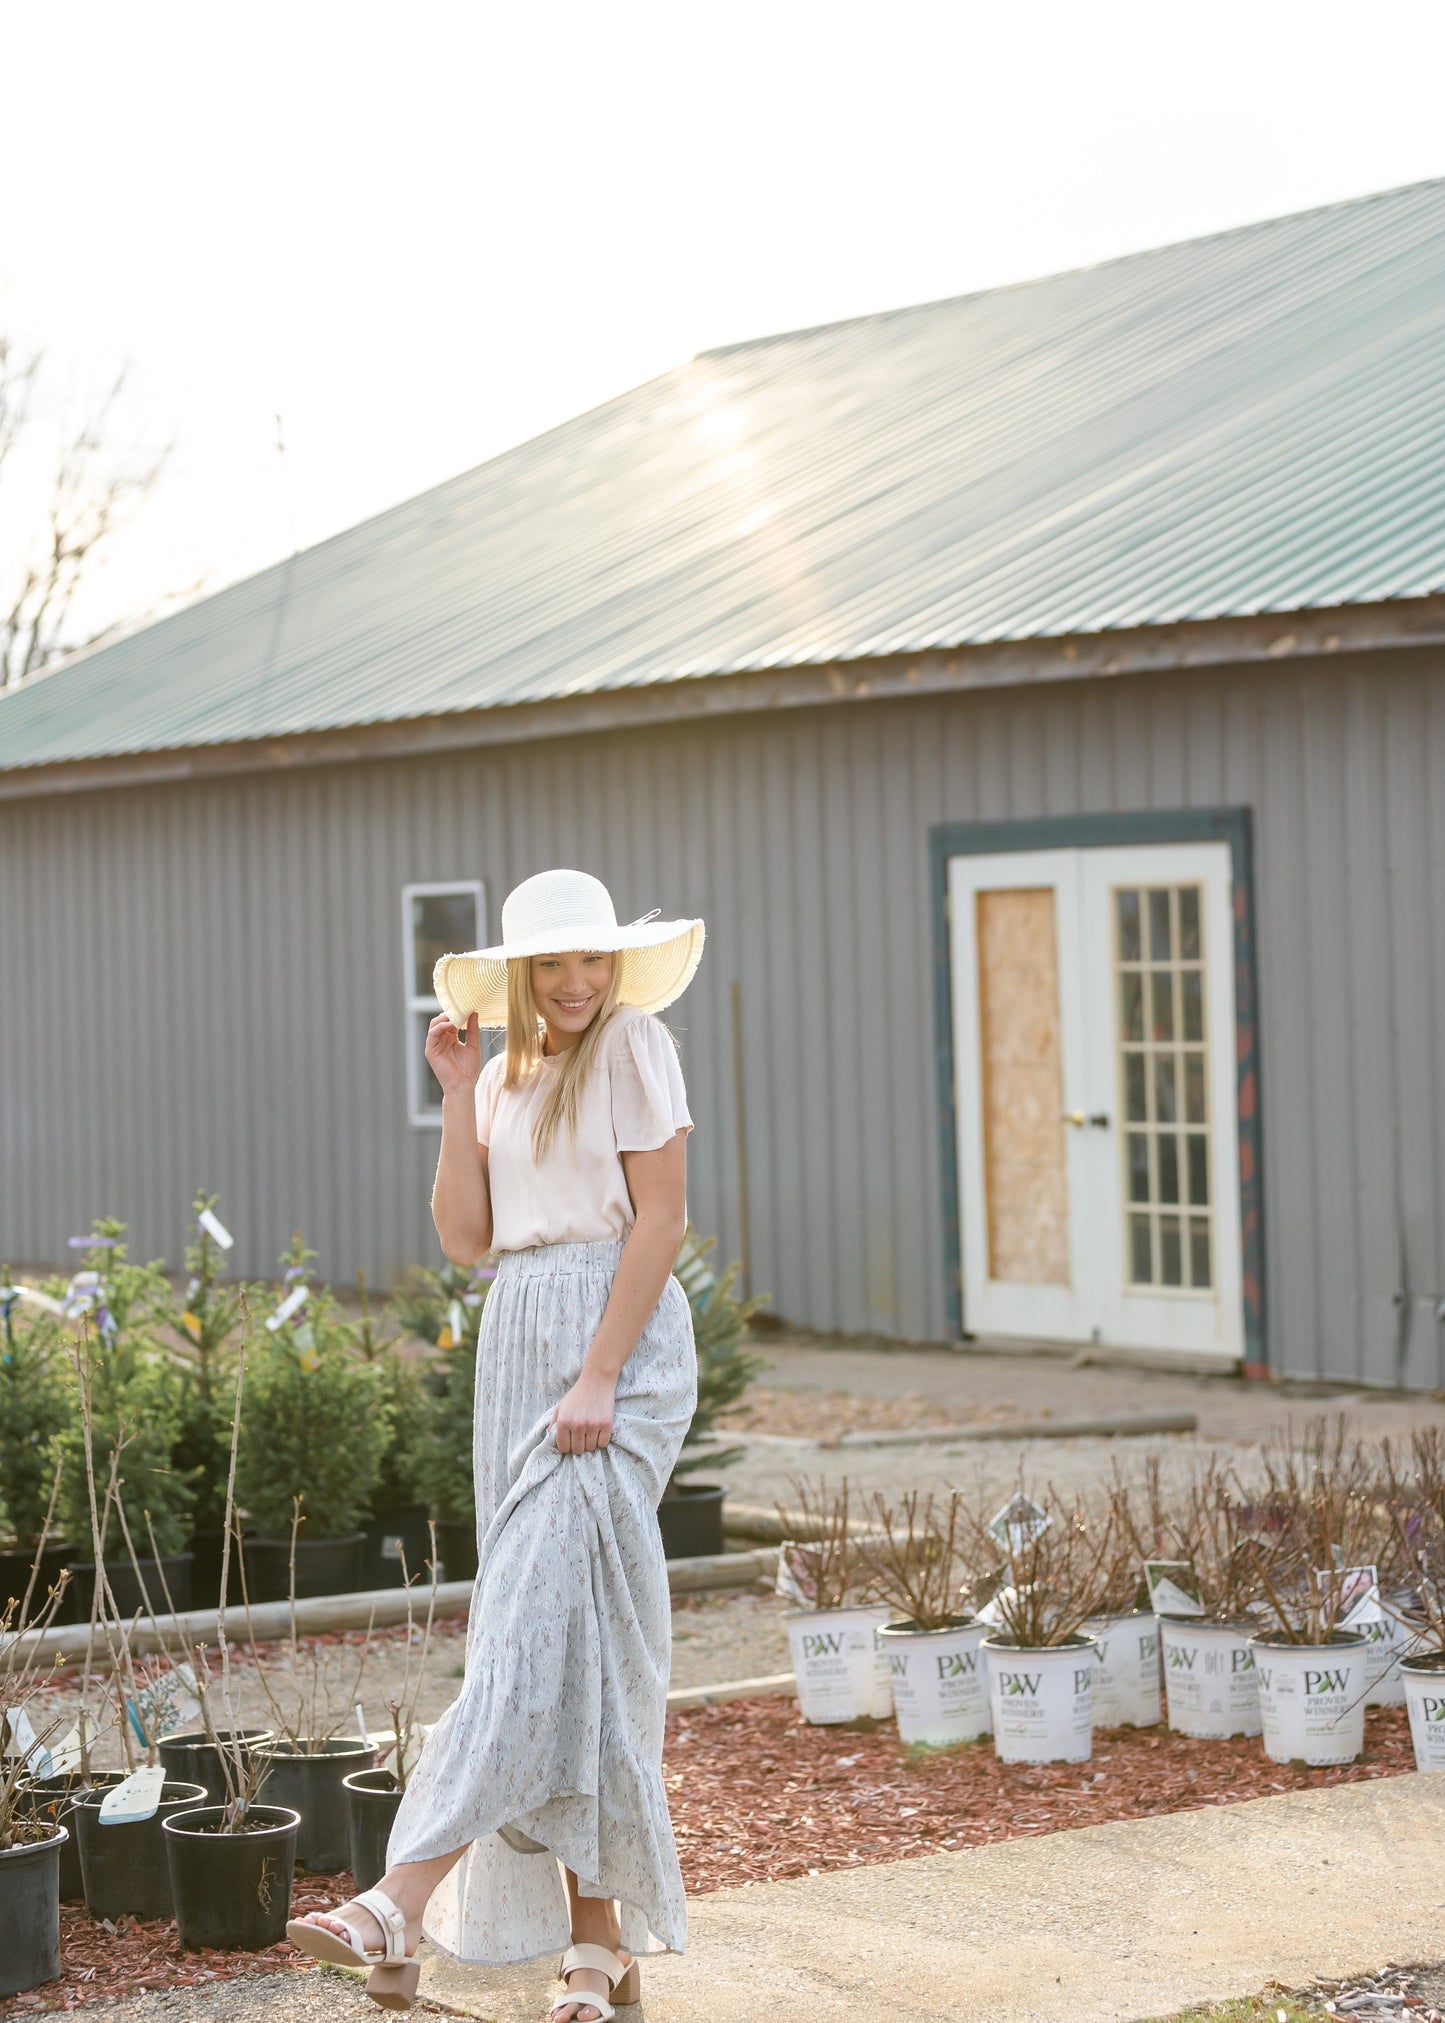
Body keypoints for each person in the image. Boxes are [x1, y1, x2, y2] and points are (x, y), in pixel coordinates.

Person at [286, 868, 706, 2023]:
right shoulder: (505, 1069)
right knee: (571, 1644)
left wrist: (602, 1375)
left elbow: (661, 1218)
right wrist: (458, 1094)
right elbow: (469, 1238)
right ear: (522, 973)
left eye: (592, 958)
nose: (576, 981)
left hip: (610, 1351)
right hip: (517, 1347)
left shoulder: (632, 1042)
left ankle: (395, 1896)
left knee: (529, 1629)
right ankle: (594, 1944)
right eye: (554, 964)